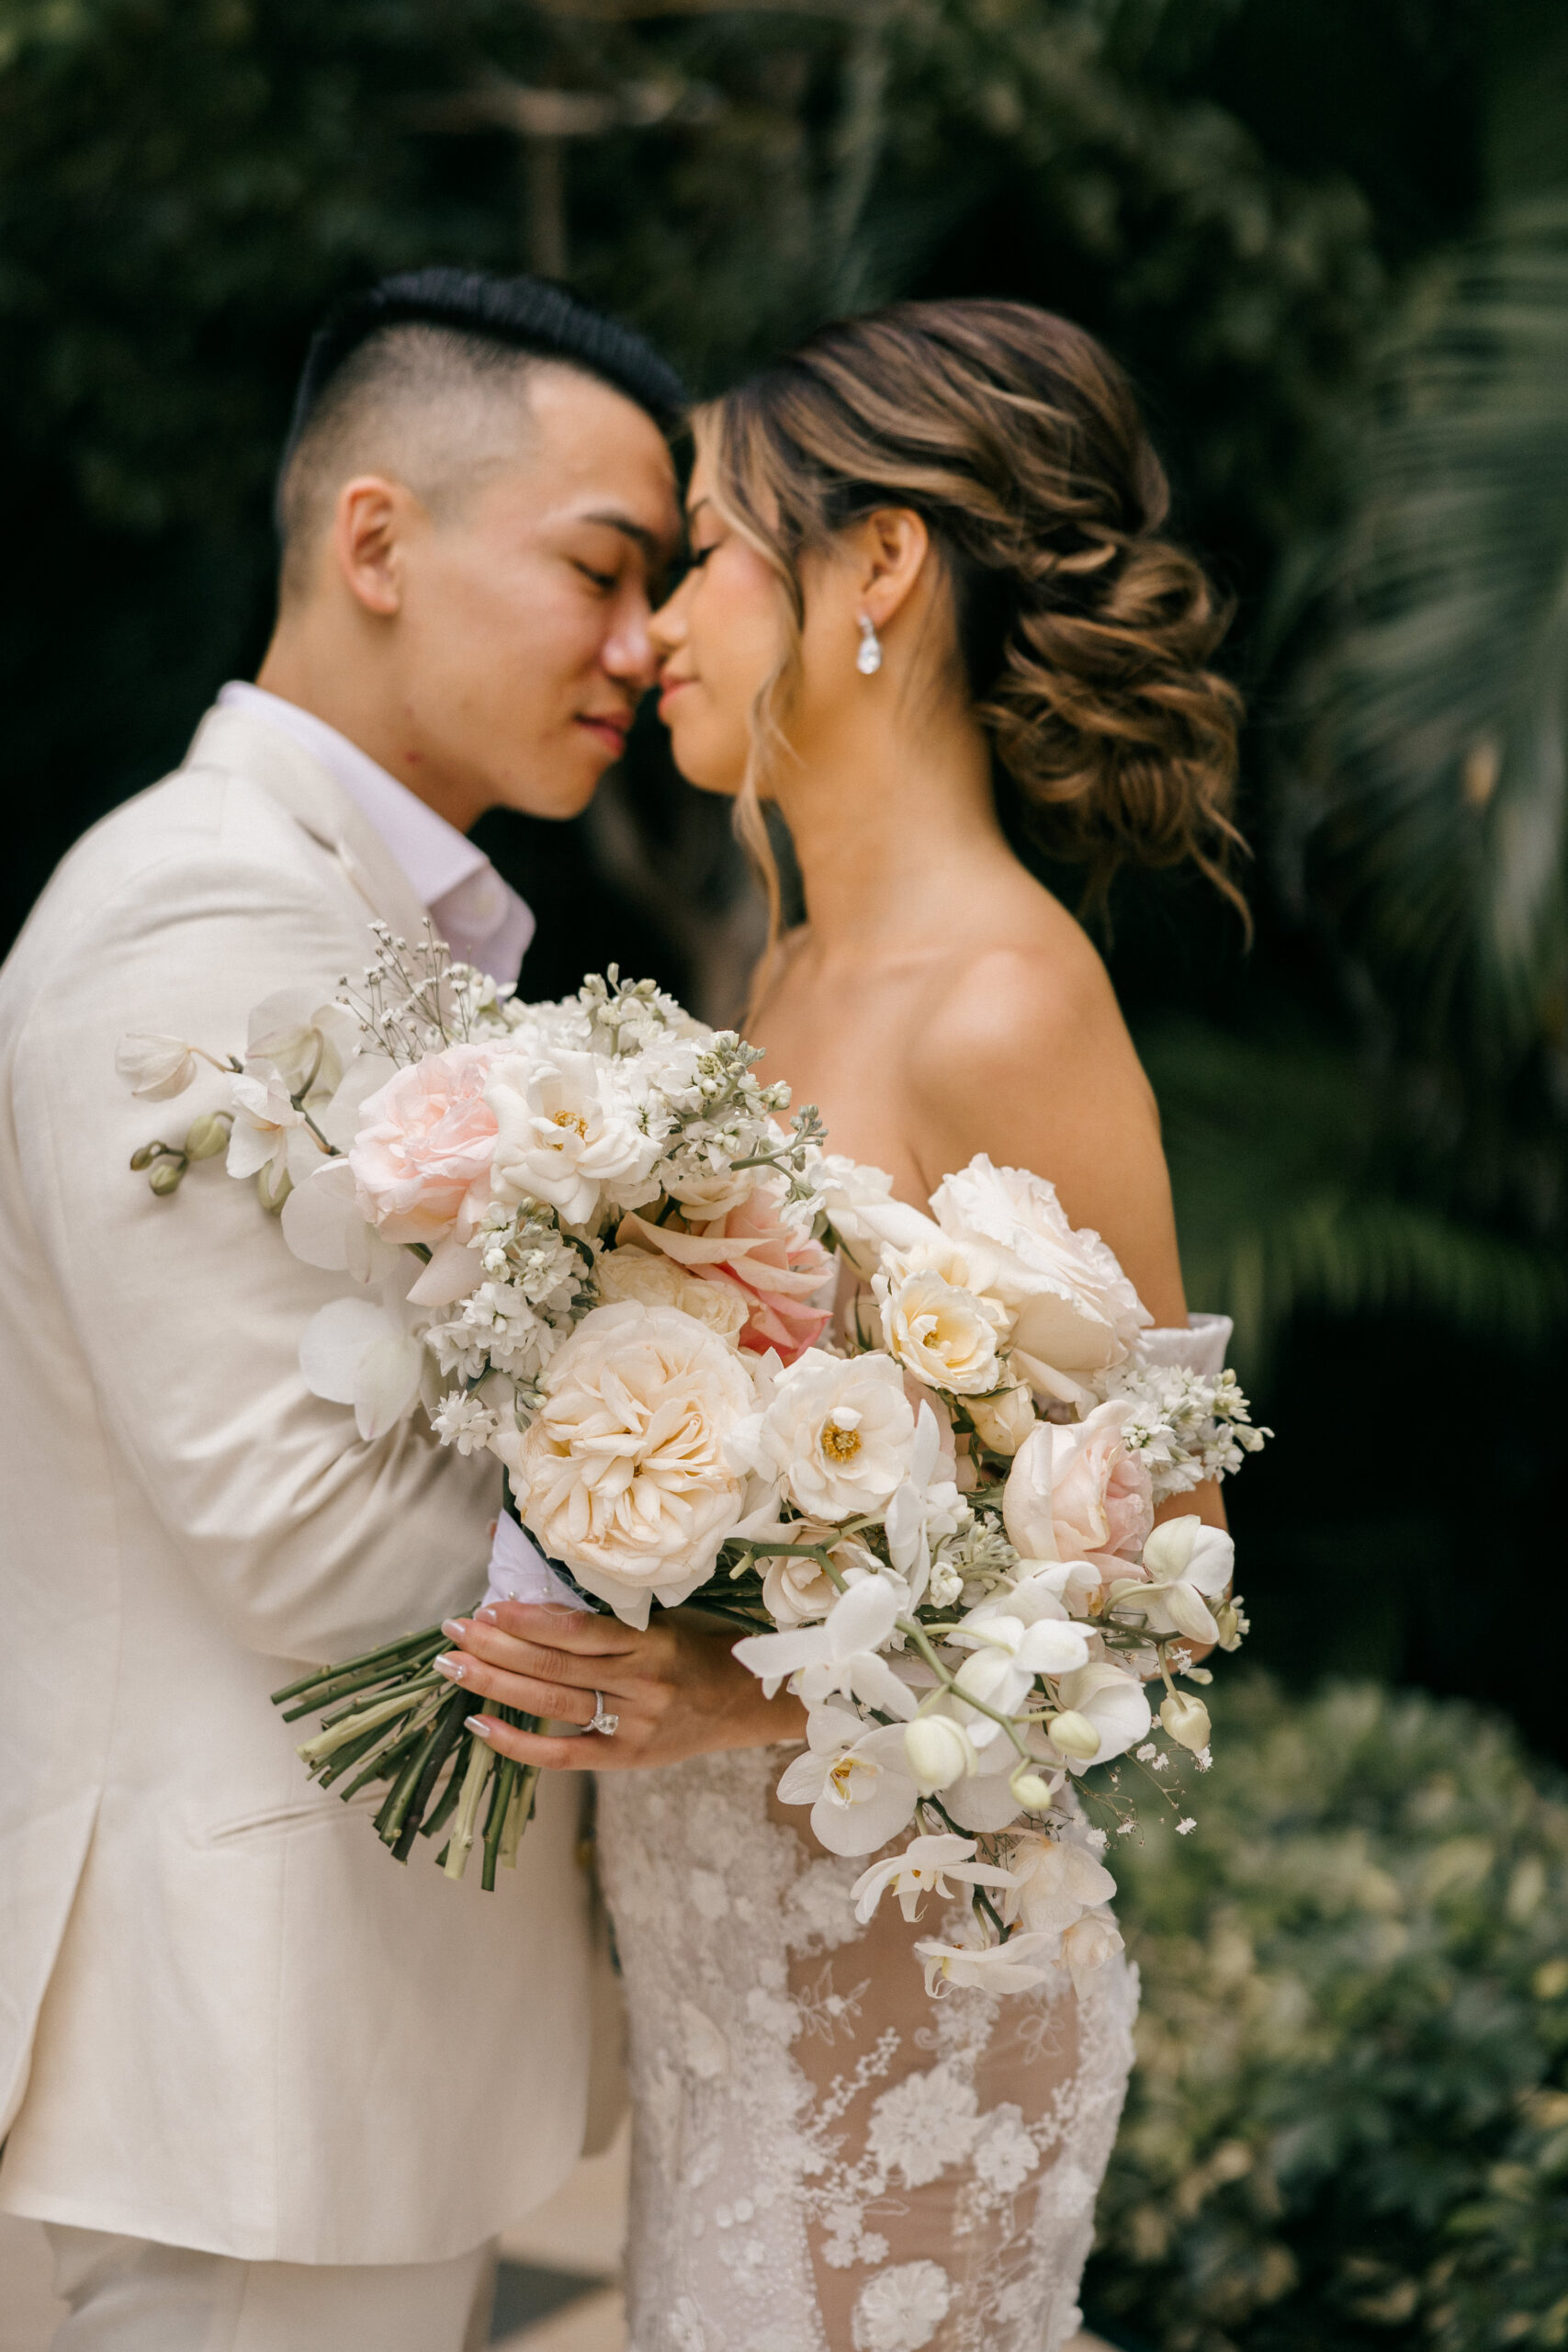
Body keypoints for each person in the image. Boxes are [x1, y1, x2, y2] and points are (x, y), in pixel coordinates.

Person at [446, 299, 1241, 2351]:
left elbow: (1155, 1592)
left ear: (875, 563)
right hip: (728, 1962)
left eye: (706, 550)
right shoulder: (786, 966)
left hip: (917, 1984)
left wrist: (734, 1695)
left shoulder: (1005, 999)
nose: (653, 630)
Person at [0, 264, 769, 2352]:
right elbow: (305, 1529)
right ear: (373, 540)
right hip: (244, 2055)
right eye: (602, 570)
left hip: (336, 2047)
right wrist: (749, 1547)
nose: (641, 645)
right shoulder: (195, 904)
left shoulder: (372, 924)